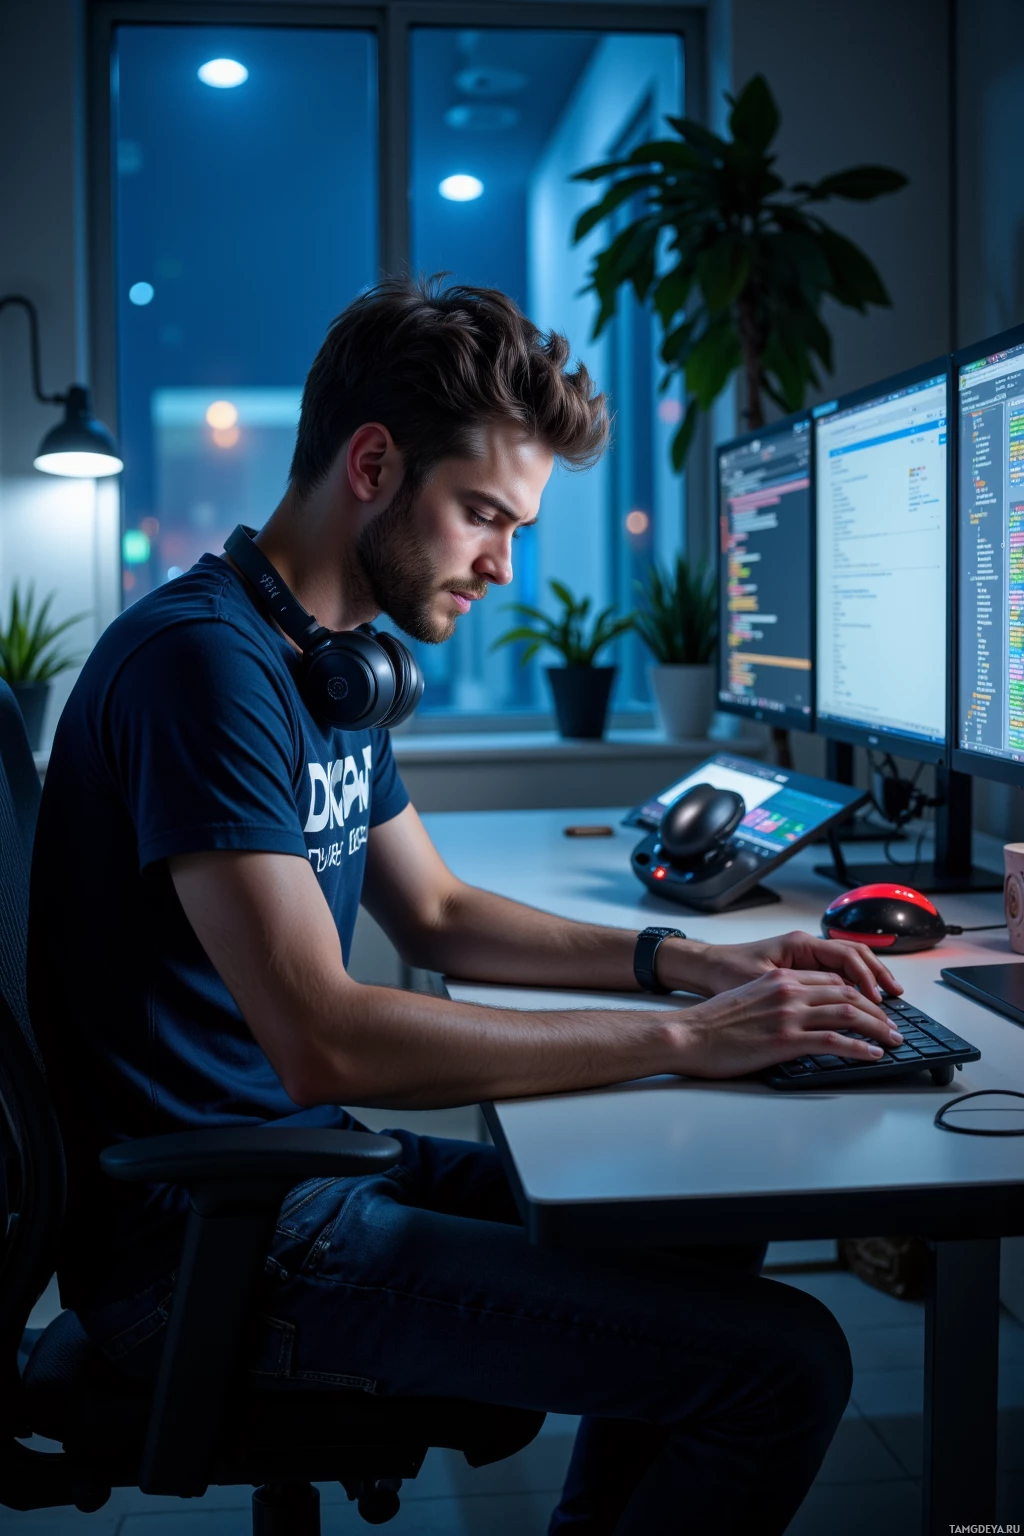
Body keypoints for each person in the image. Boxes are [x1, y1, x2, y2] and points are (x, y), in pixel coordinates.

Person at [30, 277, 904, 1536]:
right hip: (204, 1249)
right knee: (789, 1367)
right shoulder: (203, 669)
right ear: (373, 464)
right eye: (482, 515)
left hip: (290, 1186)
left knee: (701, 1224)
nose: (502, 564)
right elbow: (322, 1039)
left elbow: (435, 912)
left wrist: (687, 965)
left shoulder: (320, 666)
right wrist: (685, 1046)